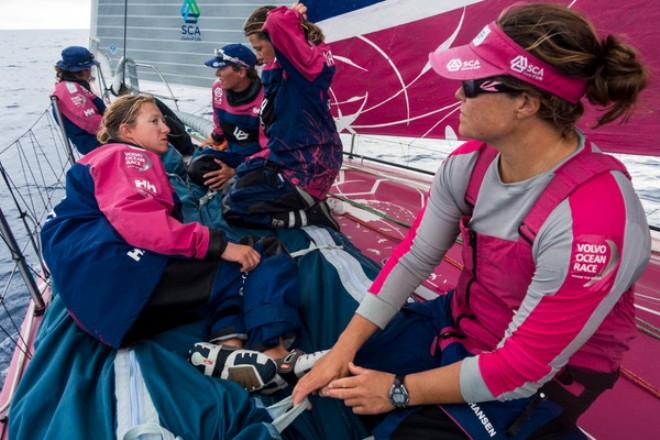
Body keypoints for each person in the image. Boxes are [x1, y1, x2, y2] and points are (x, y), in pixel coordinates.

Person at [292, 4, 651, 439]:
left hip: (546, 374)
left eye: (472, 82)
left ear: (525, 102)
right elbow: (415, 257)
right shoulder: (470, 164)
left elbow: (522, 368)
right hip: (468, 322)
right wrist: (341, 350)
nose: (458, 95)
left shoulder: (592, 220)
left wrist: (399, 391)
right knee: (336, 378)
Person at [41, 95, 309, 391]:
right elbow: (137, 219)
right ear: (127, 131)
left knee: (220, 273)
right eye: (154, 121)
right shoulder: (126, 155)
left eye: (163, 120)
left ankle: (230, 349)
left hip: (106, 313)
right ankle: (272, 351)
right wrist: (219, 245)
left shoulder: (93, 164)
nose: (165, 128)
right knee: (261, 252)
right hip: (124, 284)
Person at [221, 3, 343, 231]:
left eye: (259, 48)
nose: (257, 58)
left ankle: (312, 215)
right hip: (290, 159)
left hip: (310, 170)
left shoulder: (301, 69)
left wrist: (292, 14)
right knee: (233, 185)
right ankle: (307, 205)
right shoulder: (282, 72)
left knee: (235, 207)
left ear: (278, 41)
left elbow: (277, 22)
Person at [188, 43, 266, 190]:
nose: (217, 74)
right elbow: (219, 127)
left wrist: (235, 172)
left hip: (260, 162)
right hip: (232, 154)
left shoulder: (266, 99)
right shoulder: (218, 89)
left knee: (242, 187)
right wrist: (213, 141)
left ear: (241, 72)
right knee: (196, 168)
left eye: (222, 68)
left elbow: (271, 150)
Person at [51, 46, 106, 155]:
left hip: (98, 137)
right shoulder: (70, 91)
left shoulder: (74, 85)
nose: (90, 71)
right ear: (82, 70)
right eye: (88, 68)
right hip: (95, 143)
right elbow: (93, 123)